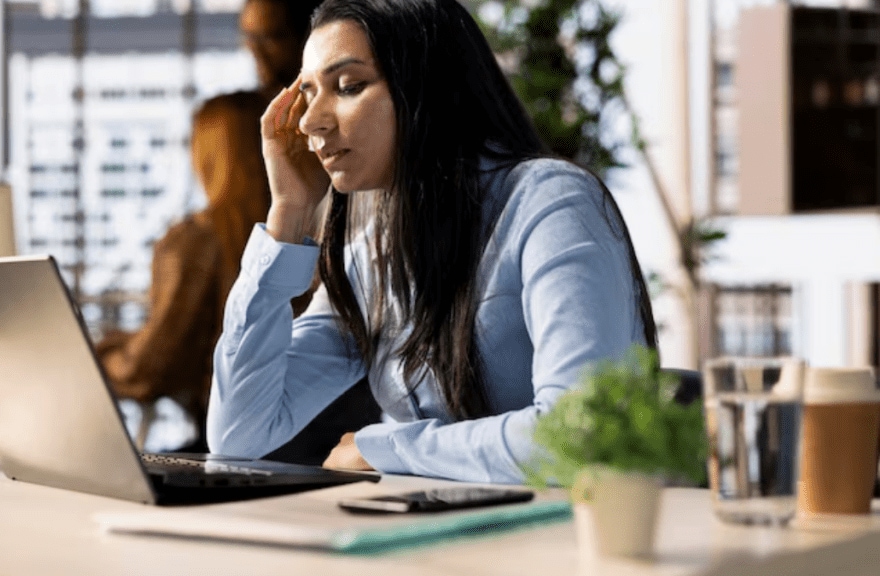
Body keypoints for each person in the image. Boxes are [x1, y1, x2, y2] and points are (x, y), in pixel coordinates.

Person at [206, 0, 658, 483]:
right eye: (308, 94)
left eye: (349, 87)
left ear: (427, 89)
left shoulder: (551, 204)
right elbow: (239, 433)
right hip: (422, 541)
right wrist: (287, 214)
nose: (310, 121)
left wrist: (386, 447)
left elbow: (581, 436)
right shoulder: (373, 258)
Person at [96, 0, 383, 455]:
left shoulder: (200, 241)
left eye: (349, 85)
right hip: (316, 441)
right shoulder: (297, 224)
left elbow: (150, 368)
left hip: (288, 448)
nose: (256, 52)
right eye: (248, 37)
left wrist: (98, 353)